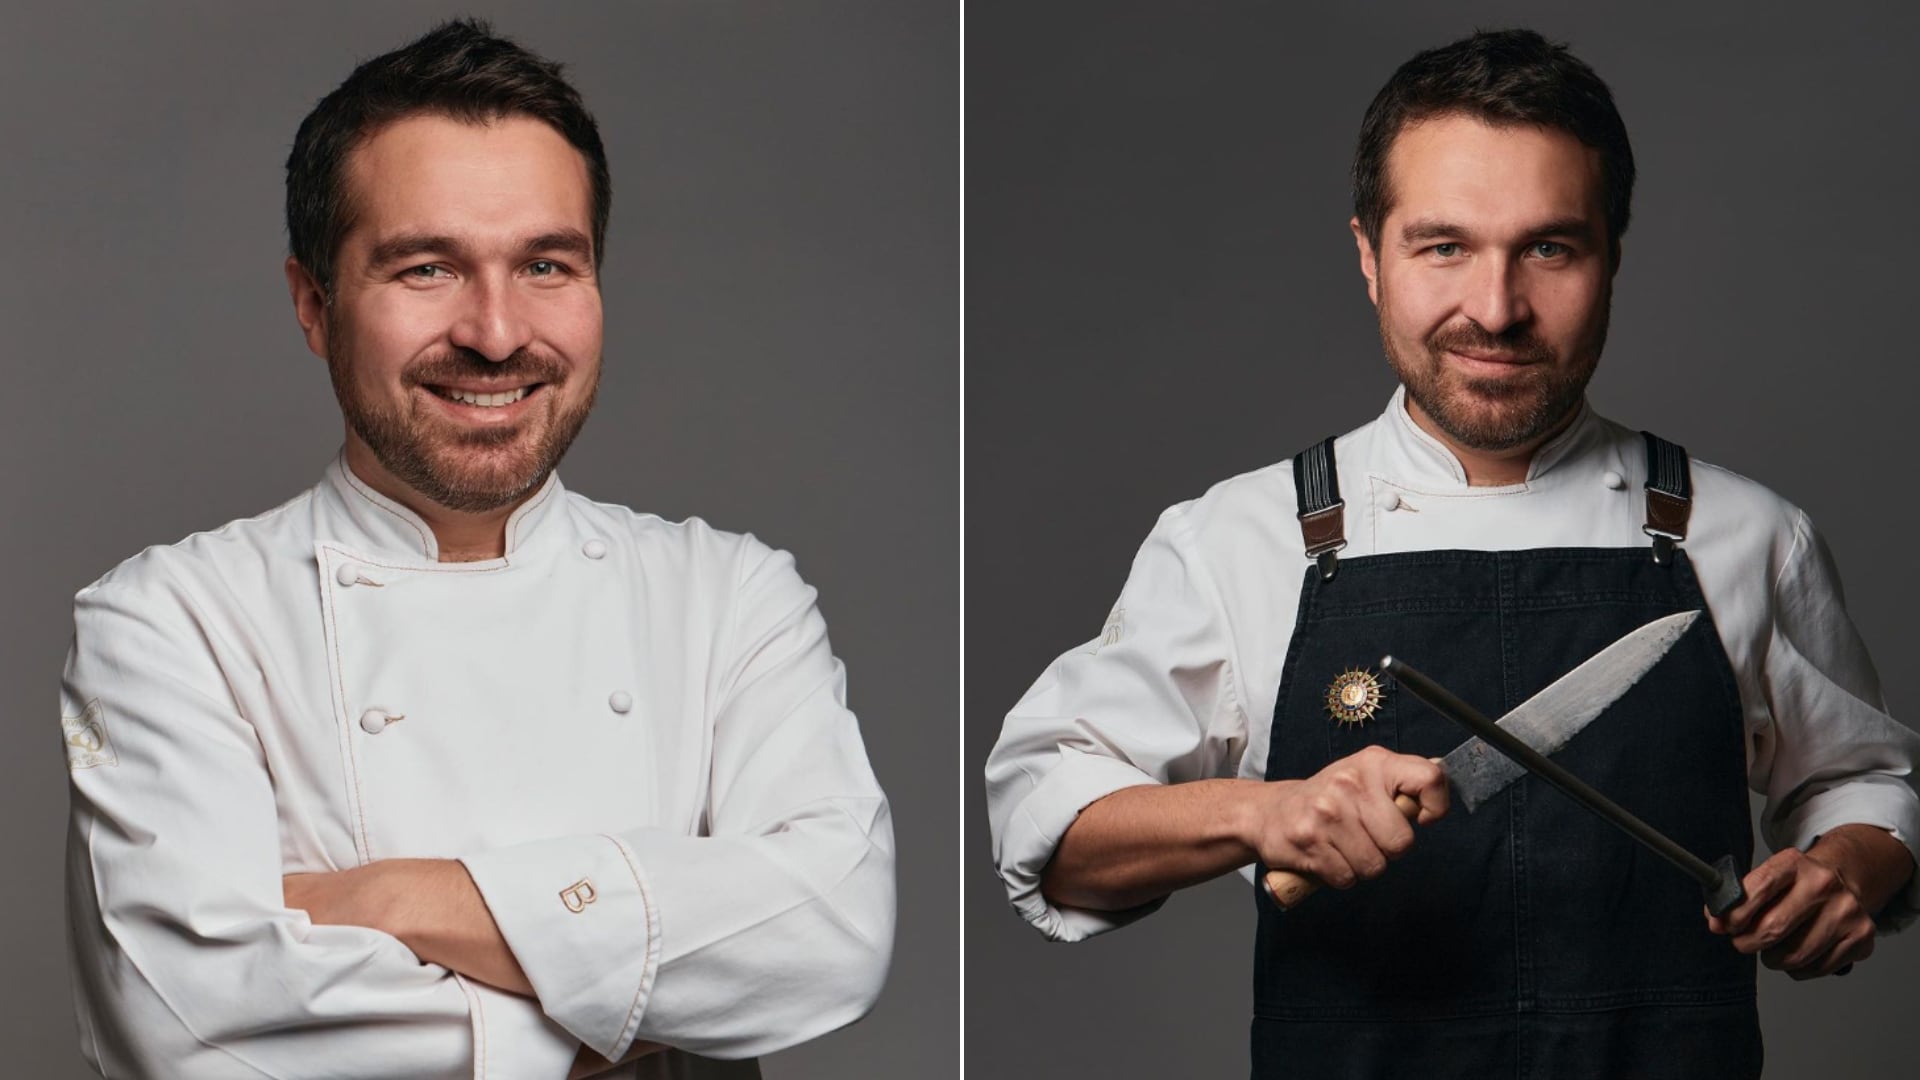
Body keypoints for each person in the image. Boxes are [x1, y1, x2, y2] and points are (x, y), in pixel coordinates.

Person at [983, 27, 1919, 1079]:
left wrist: (1845, 868)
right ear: (1368, 257)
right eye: (1444, 246)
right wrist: (1264, 812)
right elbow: (1045, 821)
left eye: (1550, 248)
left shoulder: (1741, 533)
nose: (1496, 308)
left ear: (1612, 256)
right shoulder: (1239, 540)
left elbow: (1871, 779)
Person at [60, 19, 893, 1080]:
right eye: (426, 269)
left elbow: (835, 933)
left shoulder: (730, 597)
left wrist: (396, 900)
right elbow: (189, 1027)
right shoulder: (170, 623)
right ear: (315, 304)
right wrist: (608, 1025)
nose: (497, 334)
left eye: (547, 264)